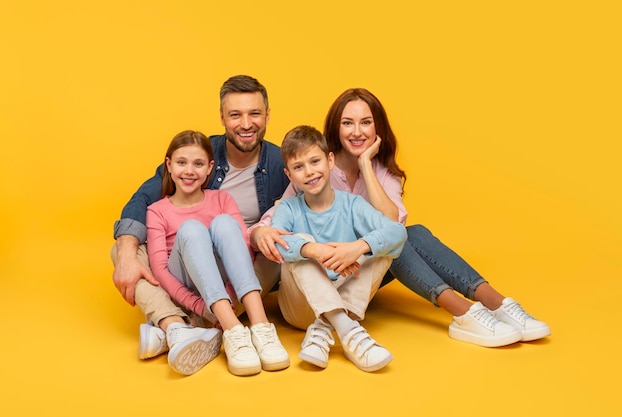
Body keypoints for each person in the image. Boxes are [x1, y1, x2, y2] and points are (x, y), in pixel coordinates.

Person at [251, 88, 551, 348]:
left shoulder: (382, 171)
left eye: (365, 122)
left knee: (409, 234)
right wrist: (260, 232)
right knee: (401, 237)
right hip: (319, 276)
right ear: (336, 130)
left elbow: (393, 224)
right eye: (348, 123)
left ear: (377, 128)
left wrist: (366, 165)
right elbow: (279, 218)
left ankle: (495, 303)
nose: (357, 131)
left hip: (359, 269)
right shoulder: (313, 170)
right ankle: (462, 312)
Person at [111, 75, 290, 375]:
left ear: (267, 115)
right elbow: (142, 198)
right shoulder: (199, 154)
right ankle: (187, 326)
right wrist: (128, 252)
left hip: (245, 264)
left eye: (254, 113)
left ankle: (180, 329)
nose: (246, 124)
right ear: (222, 118)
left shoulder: (279, 161)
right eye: (235, 115)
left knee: (269, 245)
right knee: (122, 251)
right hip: (187, 261)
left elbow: (309, 199)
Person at [146, 130, 289, 376]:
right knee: (192, 229)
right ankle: (233, 330)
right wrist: (201, 306)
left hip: (224, 286)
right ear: (168, 165)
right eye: (181, 163)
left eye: (198, 164)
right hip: (187, 287)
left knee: (225, 223)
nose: (189, 171)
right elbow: (160, 269)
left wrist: (231, 297)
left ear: (210, 168)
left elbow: (243, 251)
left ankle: (261, 326)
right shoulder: (157, 211)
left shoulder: (222, 199)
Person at [270, 125, 407, 372]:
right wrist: (316, 251)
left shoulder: (352, 204)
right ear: (289, 175)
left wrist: (357, 248)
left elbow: (397, 232)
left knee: (381, 246)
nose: (309, 172)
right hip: (300, 308)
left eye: (315, 161)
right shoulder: (288, 208)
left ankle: (327, 327)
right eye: (299, 167)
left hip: (344, 296)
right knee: (298, 241)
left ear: (330, 160)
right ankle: (350, 331)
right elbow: (280, 244)